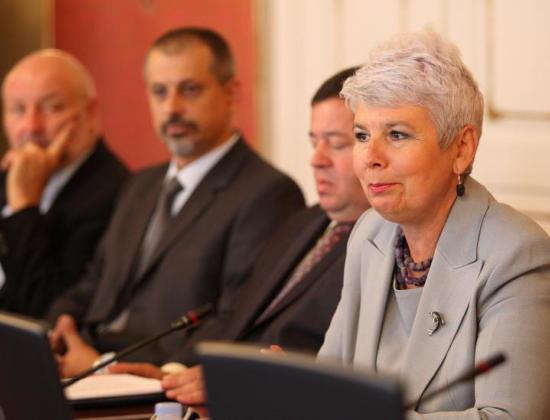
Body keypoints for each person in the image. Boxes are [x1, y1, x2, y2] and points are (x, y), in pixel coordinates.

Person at [47, 27, 304, 377]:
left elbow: (234, 320)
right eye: (159, 92)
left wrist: (100, 369)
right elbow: (95, 280)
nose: (172, 108)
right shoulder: (140, 184)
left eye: (190, 89)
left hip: (153, 383)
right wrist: (61, 323)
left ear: (230, 93)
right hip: (82, 366)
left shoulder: (268, 193)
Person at [318, 31, 550, 418]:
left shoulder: (515, 255)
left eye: (396, 134)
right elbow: (328, 385)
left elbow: (508, 417)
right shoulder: (369, 234)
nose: (371, 156)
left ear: (461, 148)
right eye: (361, 135)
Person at [110, 67, 371, 410]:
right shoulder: (303, 223)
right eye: (313, 142)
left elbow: (341, 365)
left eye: (336, 144)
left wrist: (240, 383)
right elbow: (238, 317)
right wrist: (173, 374)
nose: (316, 160)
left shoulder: (388, 245)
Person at [0, 49, 129, 317]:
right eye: (18, 109)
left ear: (90, 113)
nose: (32, 127)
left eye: (52, 108)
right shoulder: (8, 176)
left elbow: (46, 309)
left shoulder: (117, 194)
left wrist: (24, 207)